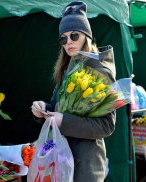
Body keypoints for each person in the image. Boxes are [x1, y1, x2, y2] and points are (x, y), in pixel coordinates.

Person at [31, 1, 116, 182]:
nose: (68, 42)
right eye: (63, 38)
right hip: (60, 162)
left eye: (74, 35)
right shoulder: (67, 69)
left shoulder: (101, 72)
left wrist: (65, 121)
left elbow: (107, 125)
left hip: (85, 169)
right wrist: (43, 110)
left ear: (86, 36)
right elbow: (58, 108)